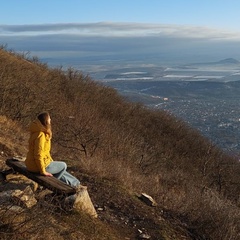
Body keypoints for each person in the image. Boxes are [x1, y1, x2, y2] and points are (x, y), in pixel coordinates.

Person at [25, 112, 81, 188]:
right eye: (49, 118)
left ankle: (75, 183)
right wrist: (43, 171)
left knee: (59, 168)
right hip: (37, 167)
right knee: (63, 165)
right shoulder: (41, 135)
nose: (50, 120)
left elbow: (44, 152)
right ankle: (50, 186)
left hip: (31, 164)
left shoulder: (37, 132)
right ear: (46, 121)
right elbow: (38, 155)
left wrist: (50, 160)